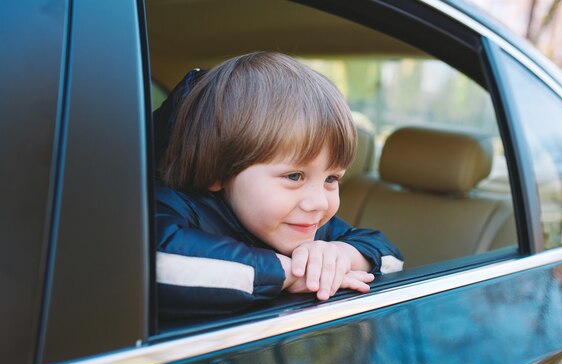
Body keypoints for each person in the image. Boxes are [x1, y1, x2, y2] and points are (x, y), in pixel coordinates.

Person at [155, 52, 403, 318]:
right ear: (219, 170)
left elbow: (391, 258)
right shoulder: (170, 208)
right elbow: (157, 263)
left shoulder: (307, 226)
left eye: (331, 179)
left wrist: (340, 256)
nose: (319, 202)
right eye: (294, 176)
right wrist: (290, 273)